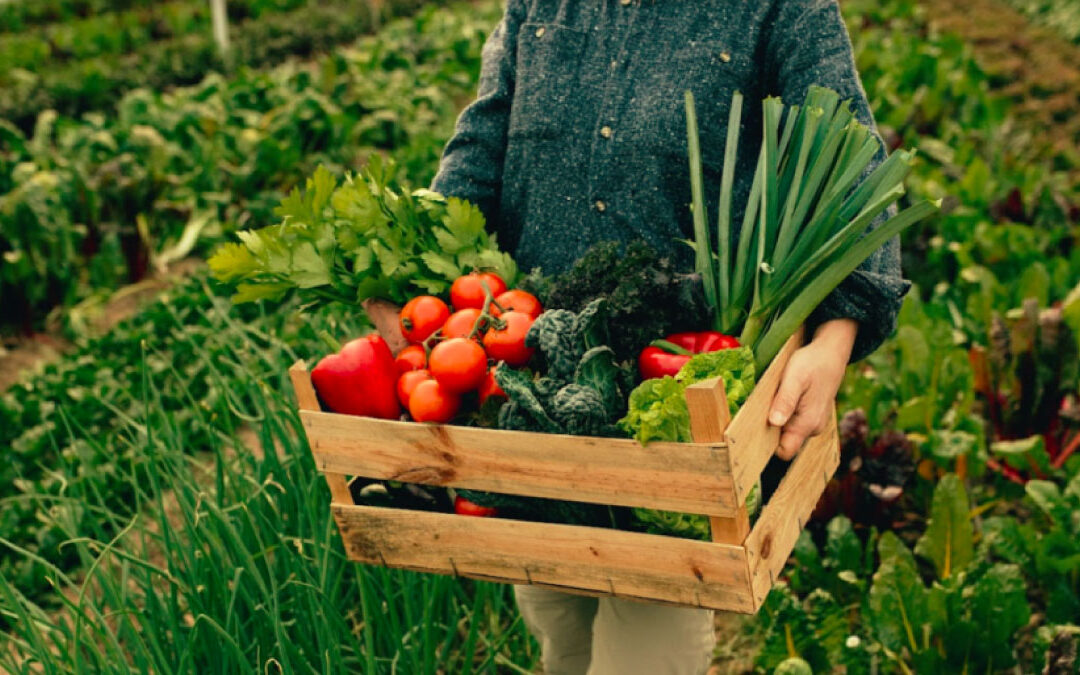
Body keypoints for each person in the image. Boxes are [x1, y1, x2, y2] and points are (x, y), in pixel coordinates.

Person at [431, 1, 909, 673]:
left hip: (673, 407)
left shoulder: (780, 11)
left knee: (648, 649)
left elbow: (851, 168)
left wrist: (831, 342)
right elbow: (481, 143)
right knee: (559, 627)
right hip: (535, 386)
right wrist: (415, 267)